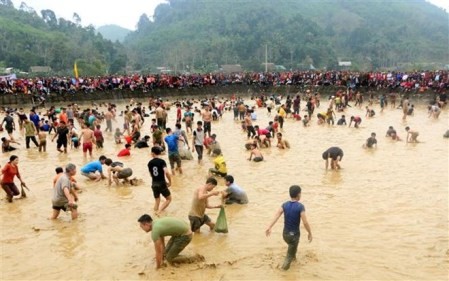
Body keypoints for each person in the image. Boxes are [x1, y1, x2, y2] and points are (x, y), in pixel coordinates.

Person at [265, 185, 313, 271]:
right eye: (300, 193)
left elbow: (277, 215)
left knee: (292, 248)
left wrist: (269, 227)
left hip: (285, 235)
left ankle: (294, 259)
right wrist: (309, 233)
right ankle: (283, 272)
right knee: (289, 256)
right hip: (294, 236)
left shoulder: (284, 205)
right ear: (298, 195)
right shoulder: (300, 206)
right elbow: (305, 222)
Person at [147, 146, 172, 215]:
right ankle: (159, 212)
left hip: (154, 184)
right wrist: (169, 181)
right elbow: (166, 172)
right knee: (169, 199)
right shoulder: (162, 162)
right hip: (161, 183)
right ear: (159, 153)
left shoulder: (150, 163)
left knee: (157, 201)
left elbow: (151, 175)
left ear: (152, 153)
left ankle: (155, 213)